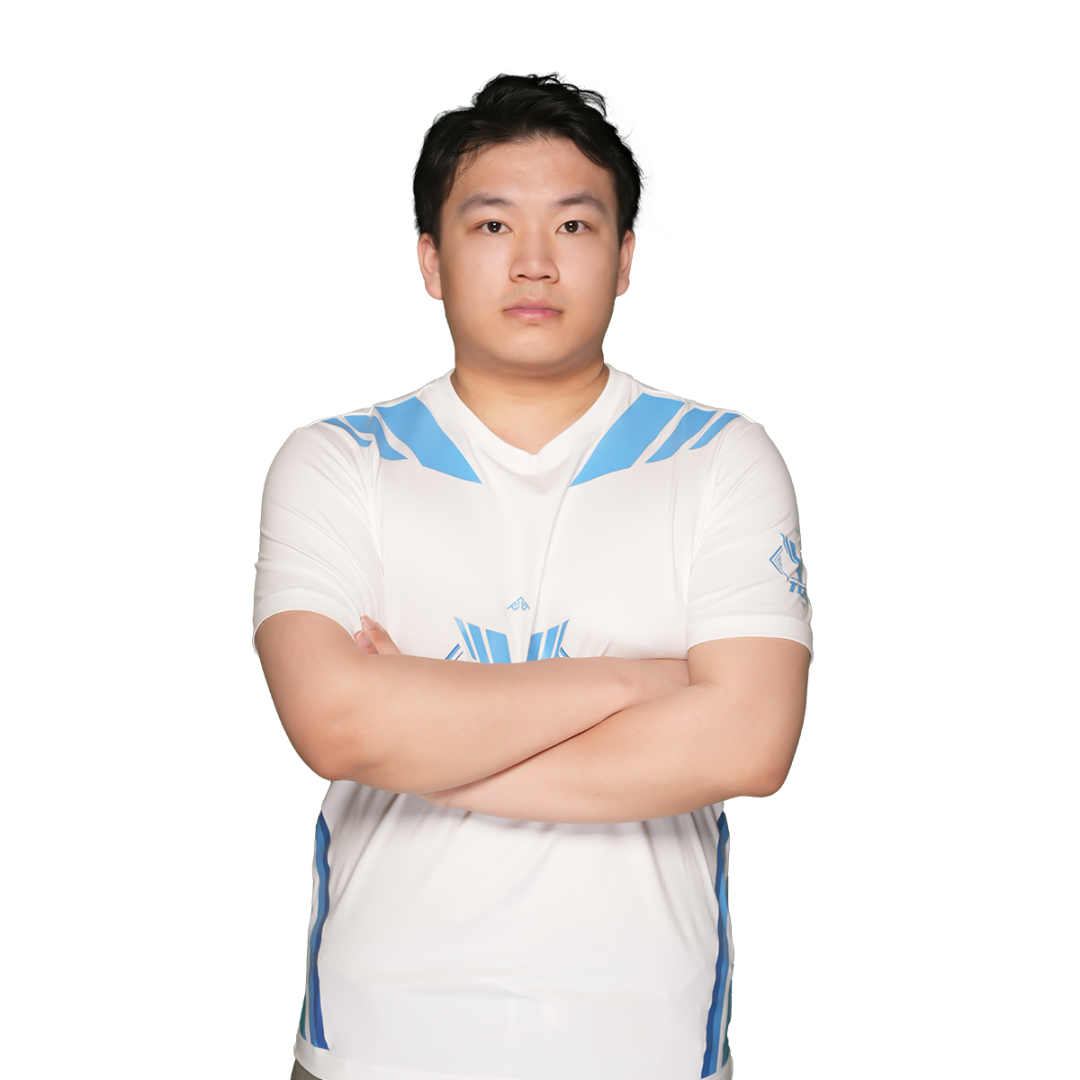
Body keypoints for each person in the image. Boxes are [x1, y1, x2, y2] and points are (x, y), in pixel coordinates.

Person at [253, 69, 812, 1080]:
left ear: (625, 259)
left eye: (574, 225)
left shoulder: (721, 456)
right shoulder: (335, 461)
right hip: (375, 1048)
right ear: (431, 261)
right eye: (492, 224)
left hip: (647, 1050)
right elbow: (335, 727)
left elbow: (752, 743)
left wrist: (421, 736)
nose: (534, 263)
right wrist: (643, 680)